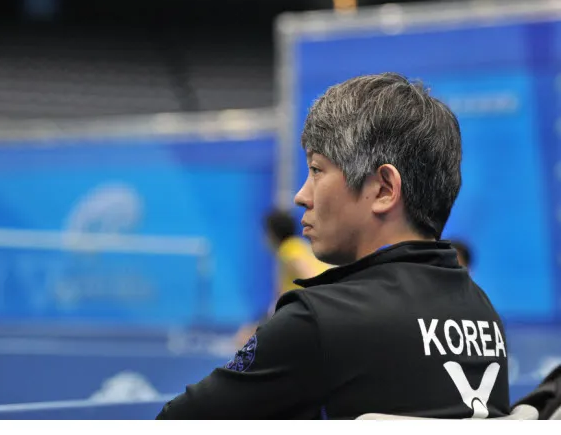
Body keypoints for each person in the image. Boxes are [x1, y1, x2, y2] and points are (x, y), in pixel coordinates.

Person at [156, 73, 509, 419]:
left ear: (384, 189)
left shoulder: (315, 322)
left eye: (316, 170)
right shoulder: (484, 315)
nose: (301, 195)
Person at [233, 209, 330, 348]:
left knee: (244, 340)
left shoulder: (289, 251)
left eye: (264, 233)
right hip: (301, 313)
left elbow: (314, 279)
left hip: (308, 315)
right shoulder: (299, 245)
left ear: (271, 234)